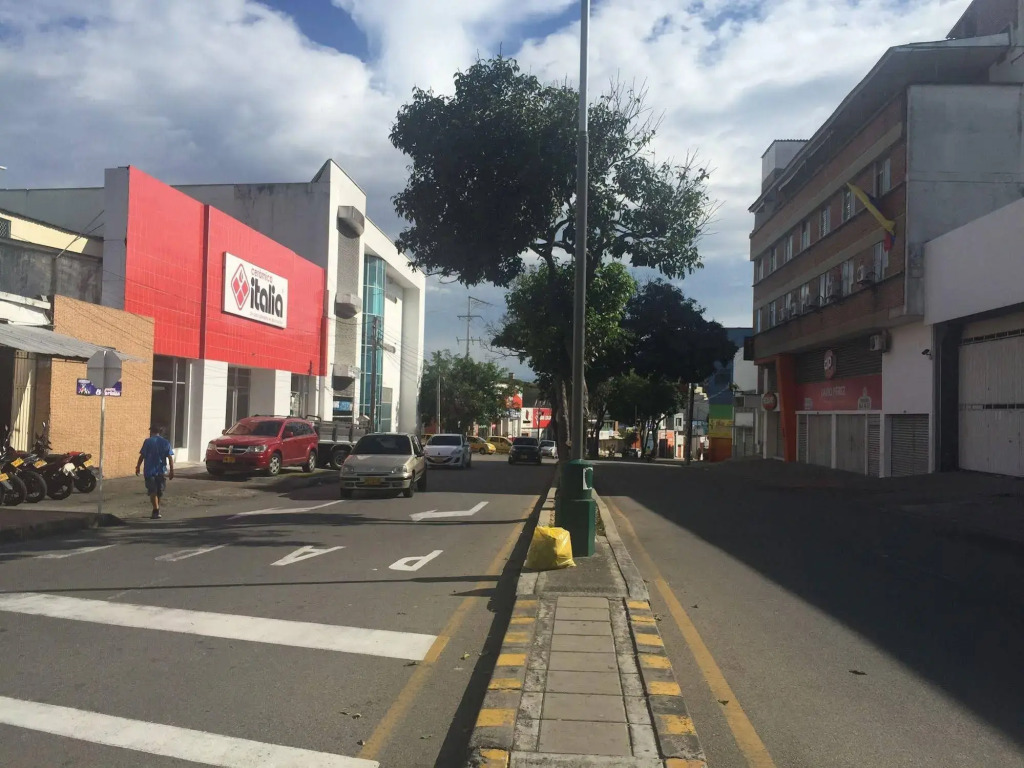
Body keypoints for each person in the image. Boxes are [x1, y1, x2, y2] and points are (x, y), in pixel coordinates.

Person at [136, 425, 174, 519]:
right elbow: (170, 457)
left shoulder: (148, 441)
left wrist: (138, 467)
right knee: (159, 491)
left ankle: (156, 509)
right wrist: (172, 471)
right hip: (161, 471)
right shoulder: (165, 442)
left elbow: (142, 456)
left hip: (149, 471)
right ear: (160, 432)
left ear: (151, 431)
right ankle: (156, 509)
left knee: (153, 491)